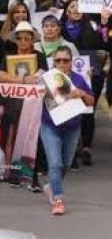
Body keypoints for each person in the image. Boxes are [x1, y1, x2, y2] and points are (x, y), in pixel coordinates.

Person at [39, 45, 95, 215]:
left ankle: (51, 186)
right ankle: (58, 199)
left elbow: (91, 102)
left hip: (72, 127)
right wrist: (41, 90)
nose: (62, 63)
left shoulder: (78, 79)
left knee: (66, 164)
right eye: (58, 60)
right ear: (53, 62)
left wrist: (83, 94)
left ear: (71, 62)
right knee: (55, 163)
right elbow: (32, 98)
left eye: (66, 60)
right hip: (50, 125)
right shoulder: (45, 78)